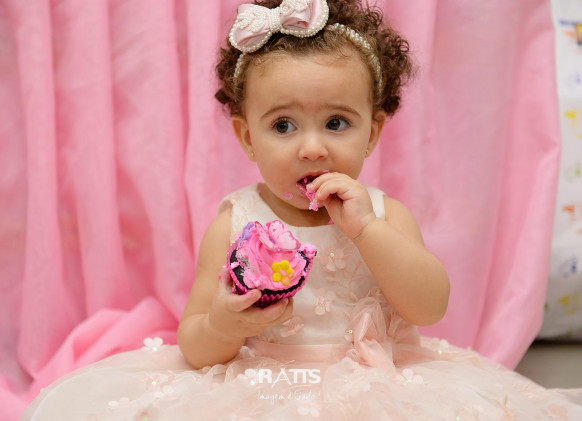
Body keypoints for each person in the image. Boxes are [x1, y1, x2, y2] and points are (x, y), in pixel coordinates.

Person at [22, 0, 582, 419]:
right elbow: (193, 342)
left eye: (336, 123)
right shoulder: (235, 220)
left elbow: (429, 306)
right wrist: (224, 323)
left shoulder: (384, 215)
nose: (312, 148)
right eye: (283, 125)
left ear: (372, 132)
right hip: (264, 387)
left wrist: (367, 231)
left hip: (376, 386)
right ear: (247, 138)